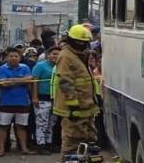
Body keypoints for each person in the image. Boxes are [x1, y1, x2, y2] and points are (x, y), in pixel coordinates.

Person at [53, 25, 100, 155]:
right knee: (73, 137)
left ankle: (87, 161)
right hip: (73, 107)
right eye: (82, 43)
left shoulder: (80, 55)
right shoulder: (66, 56)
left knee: (89, 135)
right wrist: (72, 104)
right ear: (73, 41)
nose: (84, 45)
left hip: (86, 103)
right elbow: (65, 81)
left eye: (86, 43)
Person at [0, 46, 37, 156]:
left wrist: (11, 80)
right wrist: (21, 81)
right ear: (7, 58)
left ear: (20, 57)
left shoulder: (25, 67)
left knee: (21, 126)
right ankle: (1, 150)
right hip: (6, 102)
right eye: (11, 56)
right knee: (3, 126)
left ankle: (24, 148)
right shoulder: (1, 69)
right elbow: (3, 84)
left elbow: (29, 80)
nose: (13, 58)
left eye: (16, 56)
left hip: (22, 102)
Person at [32, 46, 60, 154]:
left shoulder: (60, 66)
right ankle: (41, 145)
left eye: (58, 54)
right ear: (48, 55)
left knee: (51, 123)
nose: (55, 56)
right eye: (53, 53)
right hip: (42, 98)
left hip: (55, 99)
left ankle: (49, 143)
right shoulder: (40, 66)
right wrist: (35, 97)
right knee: (41, 123)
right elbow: (35, 82)